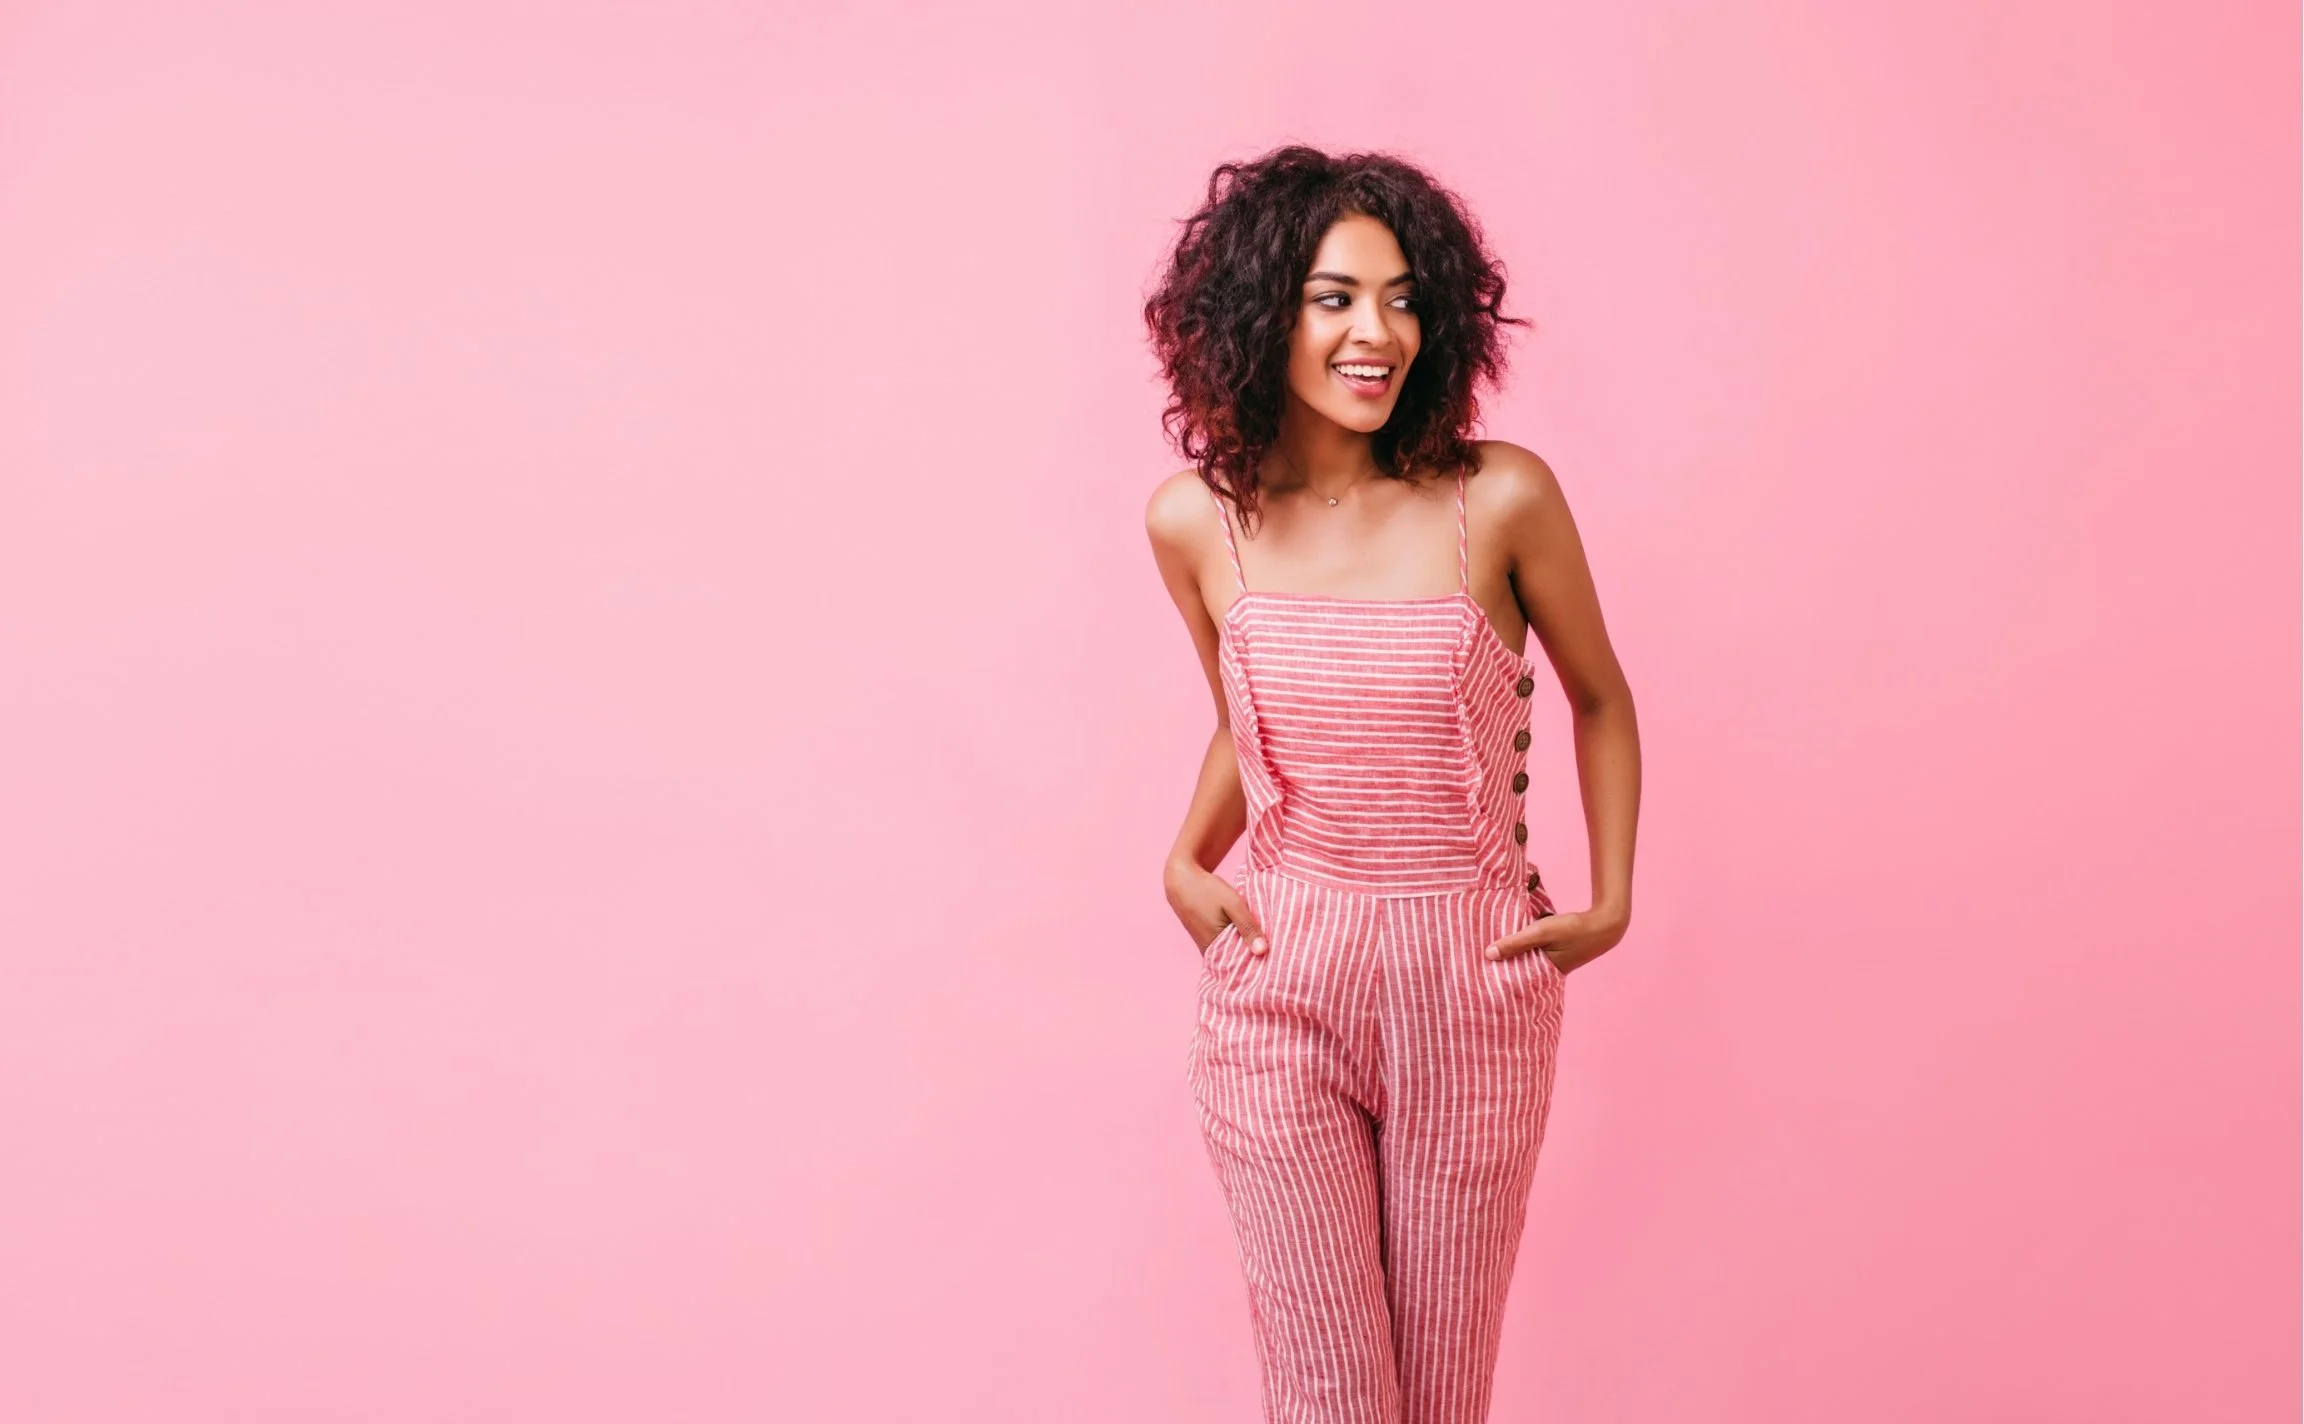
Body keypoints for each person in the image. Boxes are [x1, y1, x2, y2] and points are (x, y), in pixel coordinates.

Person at [1141, 145, 1642, 1423]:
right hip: (1281, 976)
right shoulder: (1196, 521)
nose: (1382, 331)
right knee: (1329, 1393)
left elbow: (1600, 697)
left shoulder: (1502, 495)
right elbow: (1246, 735)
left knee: (1437, 1395)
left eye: (1408, 298)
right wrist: (1182, 859)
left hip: (1469, 976)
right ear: (1259, 314)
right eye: (1337, 297)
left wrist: (1610, 900)